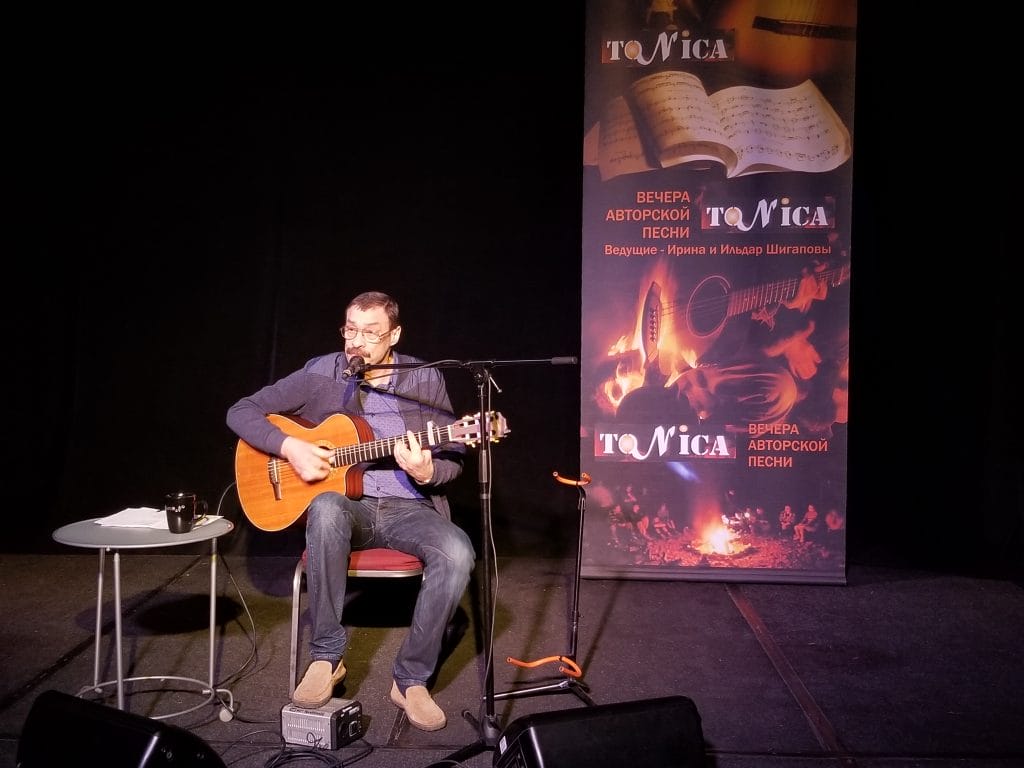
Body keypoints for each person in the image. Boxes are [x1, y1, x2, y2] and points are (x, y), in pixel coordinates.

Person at [226, 291, 475, 731]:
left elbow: (453, 457)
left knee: (458, 551)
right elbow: (241, 411)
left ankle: (411, 680)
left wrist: (428, 470)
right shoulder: (322, 371)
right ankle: (326, 657)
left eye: (370, 333)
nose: (356, 342)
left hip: (407, 509)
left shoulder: (425, 378)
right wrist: (290, 447)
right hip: (348, 509)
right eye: (350, 330)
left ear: (394, 335)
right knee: (325, 507)